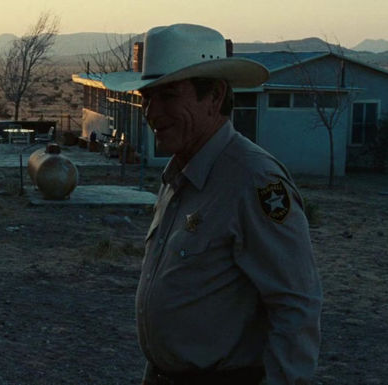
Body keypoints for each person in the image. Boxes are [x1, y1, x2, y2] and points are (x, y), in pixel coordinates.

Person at [103, 24, 323, 385]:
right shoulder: (181, 173)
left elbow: (295, 306)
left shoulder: (253, 181)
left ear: (215, 95)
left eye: (169, 95)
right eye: (148, 96)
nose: (151, 112)